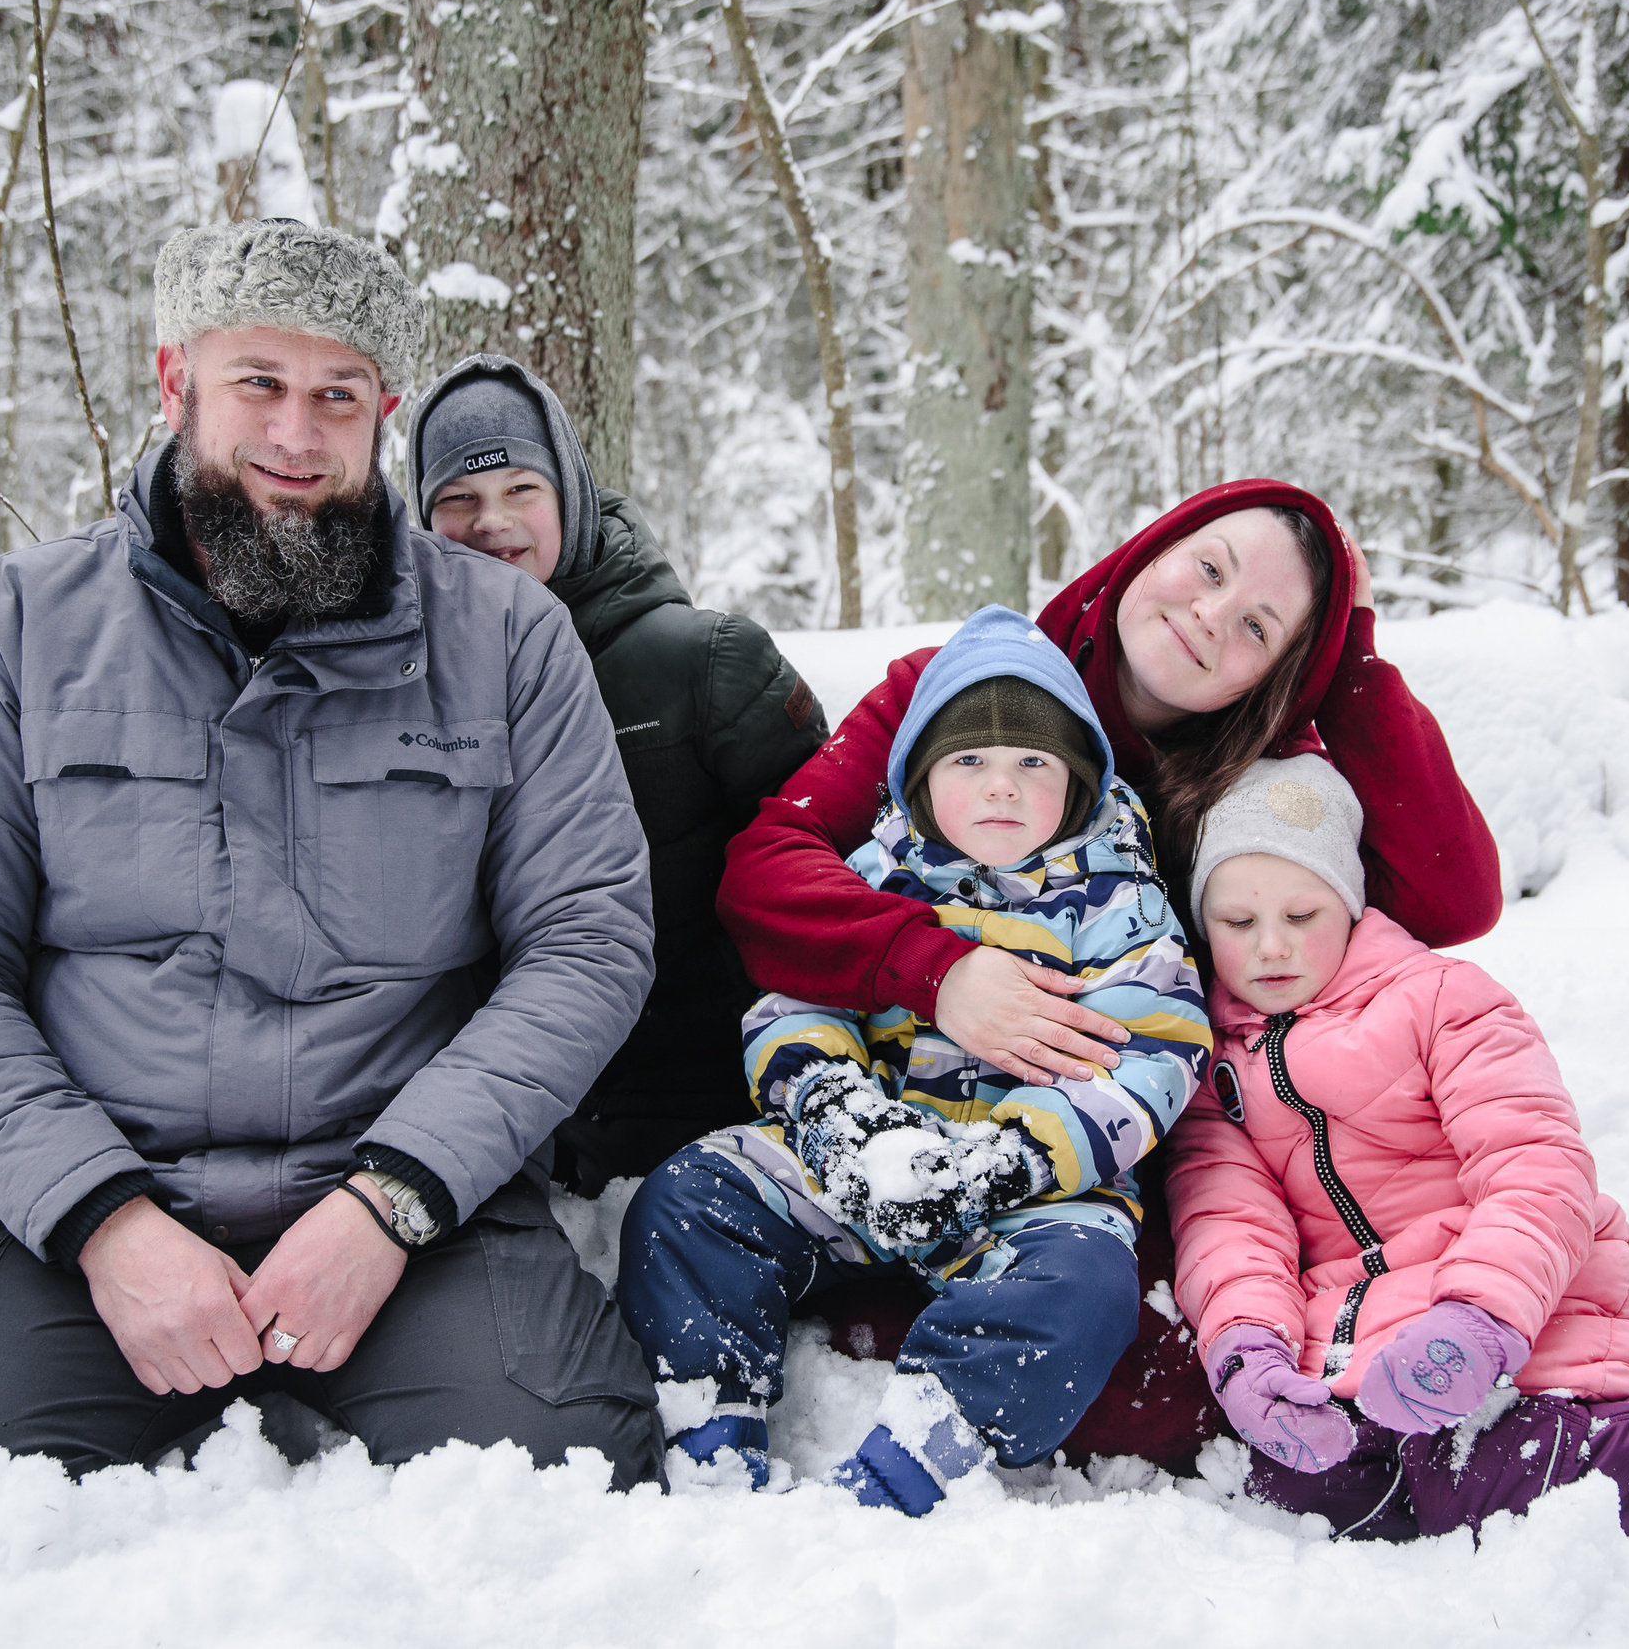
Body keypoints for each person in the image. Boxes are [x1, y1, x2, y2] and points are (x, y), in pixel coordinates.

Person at [0, 220, 663, 1483]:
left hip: (418, 1217)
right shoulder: (11, 629)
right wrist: (106, 1220)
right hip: (102, 1217)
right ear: (177, 384)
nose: (297, 432)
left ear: (383, 409)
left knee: (572, 1480)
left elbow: (588, 941)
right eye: (258, 384)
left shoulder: (507, 638)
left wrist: (391, 1201)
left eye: (337, 395)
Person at [715, 481, 1501, 1466]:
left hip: (1104, 1147)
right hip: (897, 1088)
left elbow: (1453, 896)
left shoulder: (1250, 776)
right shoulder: (956, 687)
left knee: (1161, 1384)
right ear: (1152, 547)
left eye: (1259, 625)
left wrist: (1351, 660)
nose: (1210, 614)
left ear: (1278, 674)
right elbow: (768, 867)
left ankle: (932, 1339)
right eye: (1207, 568)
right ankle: (873, 1295)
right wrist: (935, 968)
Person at [1170, 755, 1629, 1541]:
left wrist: (1480, 1319)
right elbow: (1230, 1227)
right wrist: (1247, 1349)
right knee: (1303, 1488)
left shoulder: (1443, 1000)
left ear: (1351, 904)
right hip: (1359, 1339)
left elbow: (1537, 1166)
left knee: (1484, 1472)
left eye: (1302, 916)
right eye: (1237, 923)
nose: (1271, 948)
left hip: (1530, 1299)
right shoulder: (1207, 1069)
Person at [618, 606, 1212, 1512]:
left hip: (1028, 1196)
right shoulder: (873, 876)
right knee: (691, 1198)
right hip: (867, 1156)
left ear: (1080, 778)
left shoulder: (1119, 908)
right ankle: (711, 1425)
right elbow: (794, 997)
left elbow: (1154, 1058)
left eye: (1033, 764)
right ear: (922, 776)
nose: (1000, 788)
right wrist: (840, 1118)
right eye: (968, 761)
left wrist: (1004, 1164)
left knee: (1087, 1291)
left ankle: (918, 1456)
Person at [407, 356, 827, 1192]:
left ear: (570, 494)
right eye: (458, 499)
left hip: (710, 1123)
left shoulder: (707, 666)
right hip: (504, 1134)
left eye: (521, 489)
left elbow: (830, 878)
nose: (492, 522)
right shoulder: (404, 689)